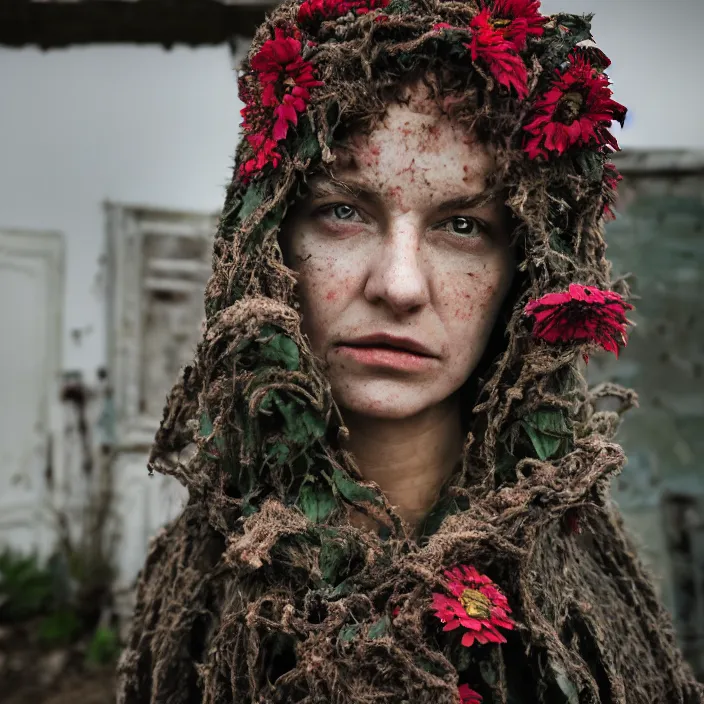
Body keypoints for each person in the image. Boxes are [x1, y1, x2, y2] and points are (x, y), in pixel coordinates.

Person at [117, 1, 703, 702]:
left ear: (526, 274)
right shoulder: (197, 597)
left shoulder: (580, 615)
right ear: (270, 245)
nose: (398, 286)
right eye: (343, 211)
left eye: (462, 224)